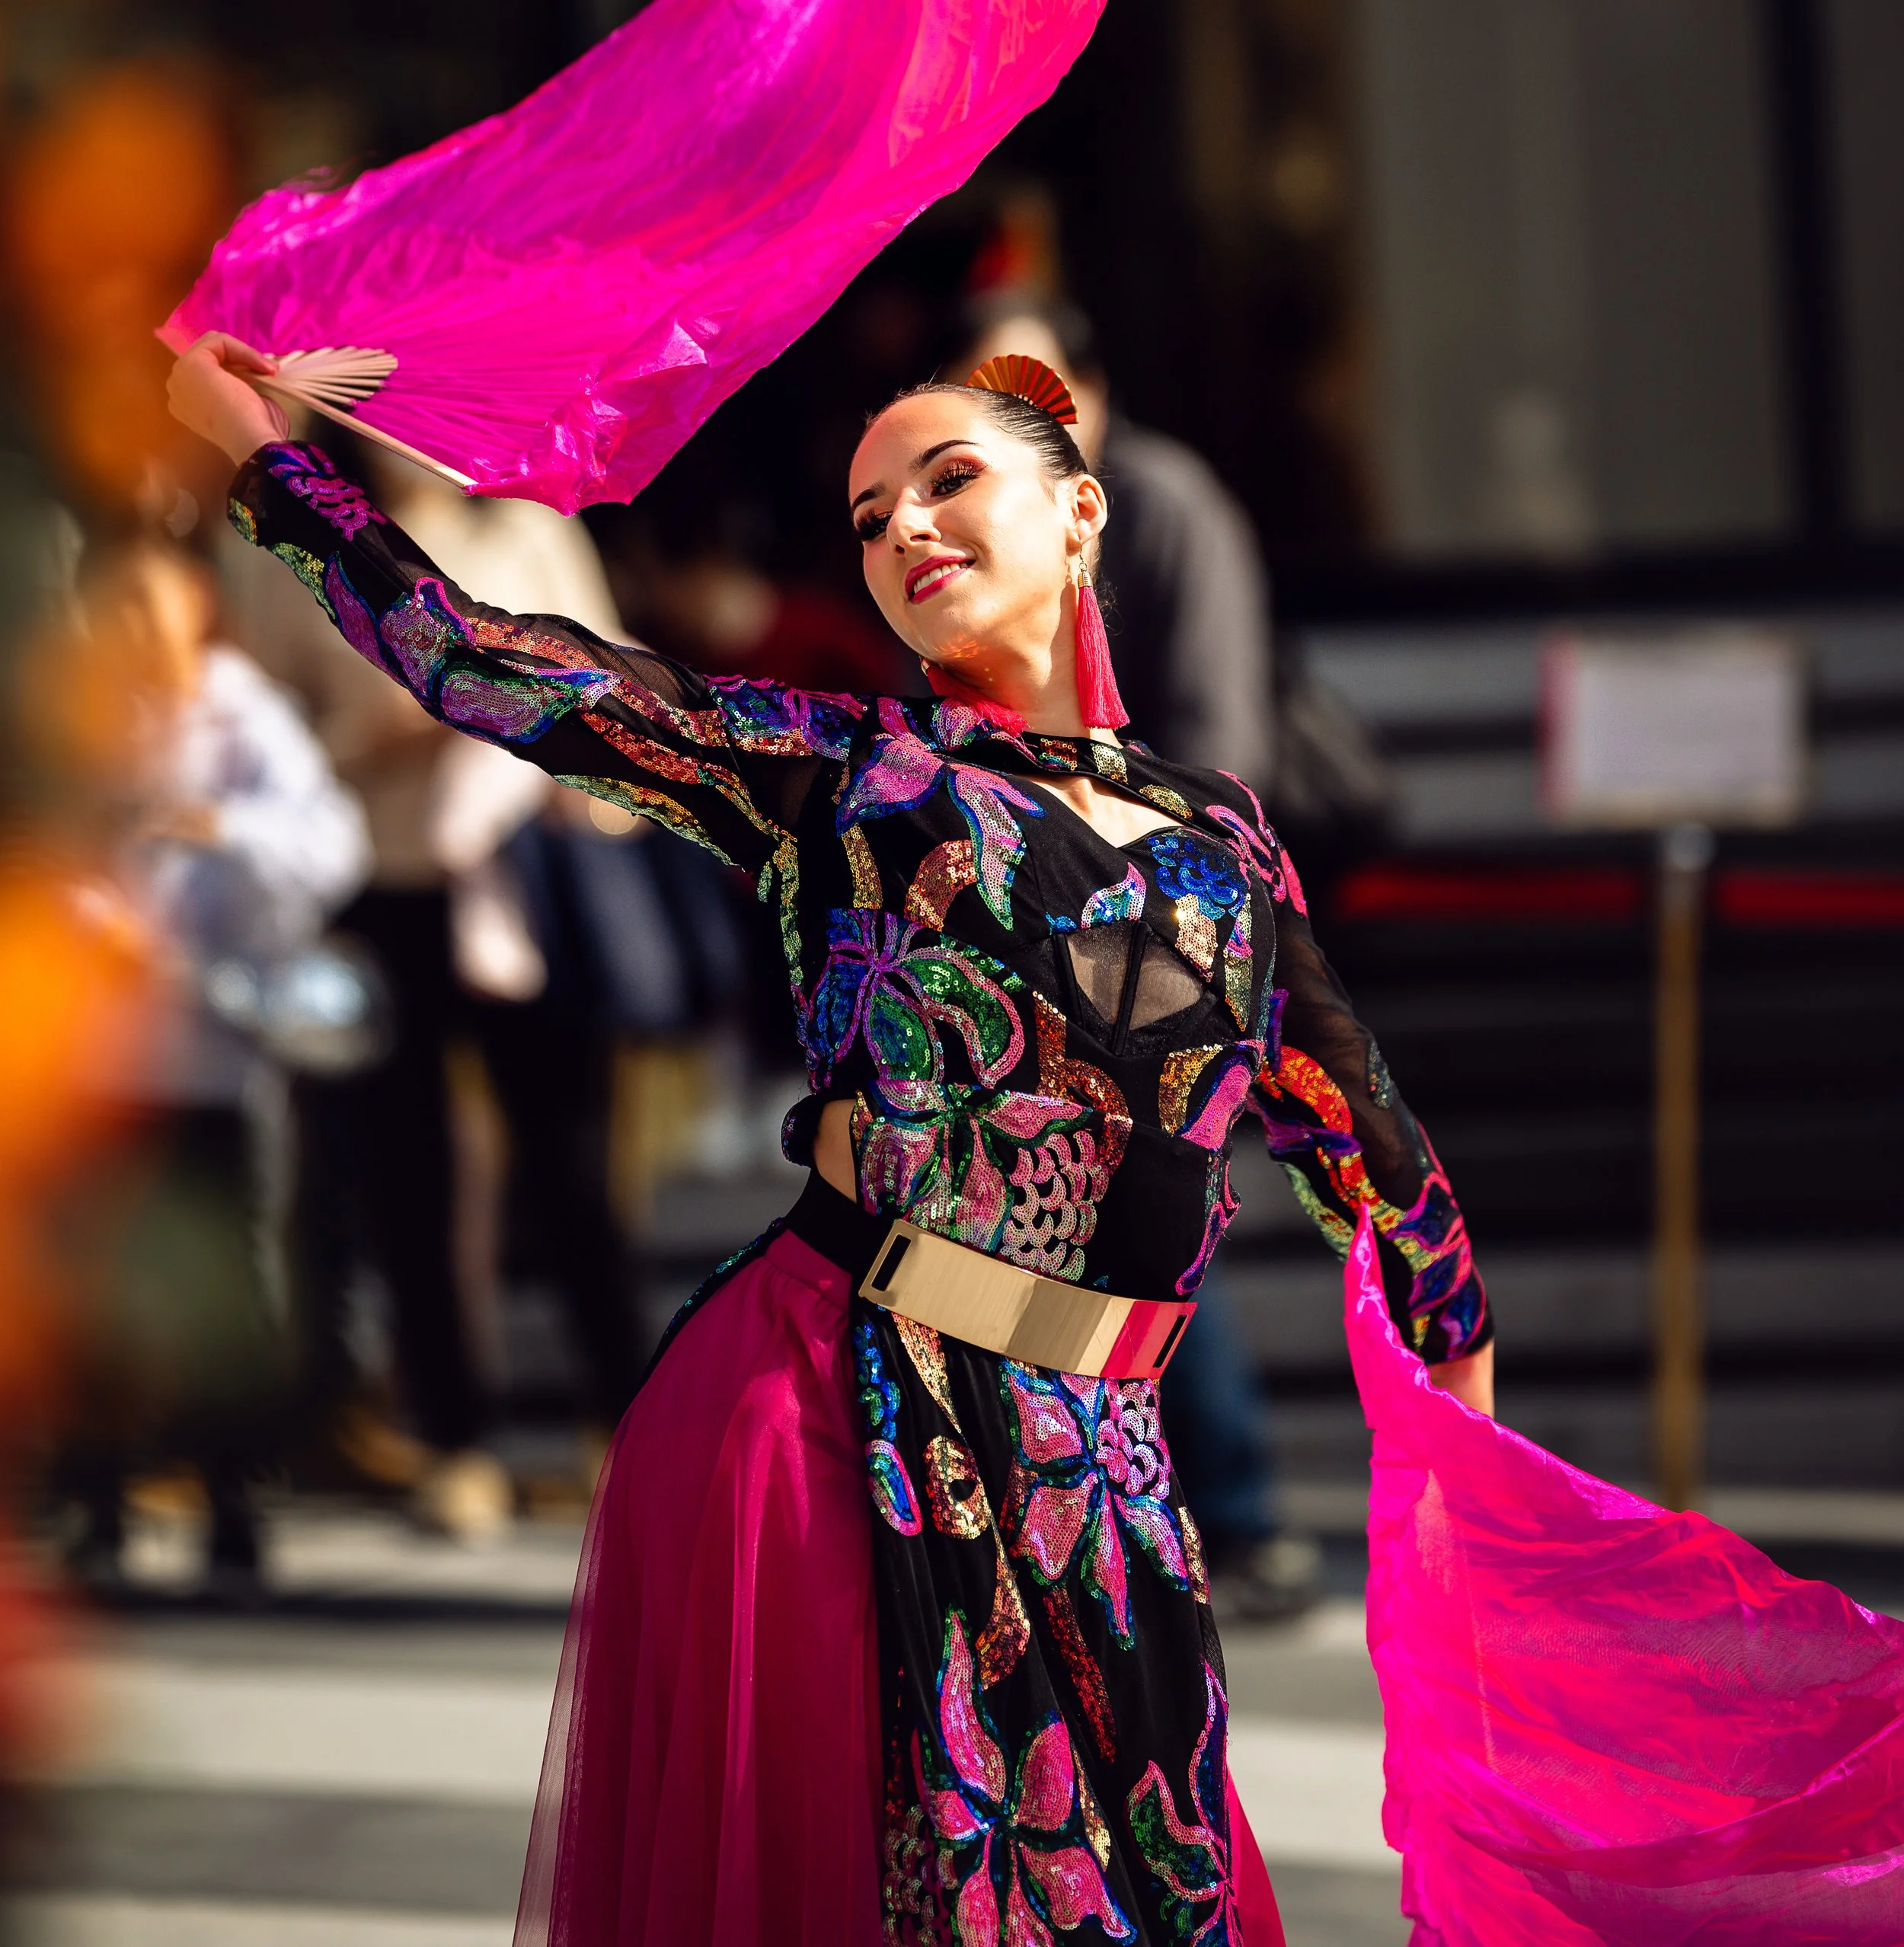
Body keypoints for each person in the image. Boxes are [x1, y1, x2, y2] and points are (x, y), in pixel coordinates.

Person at [168, 330, 1491, 1946]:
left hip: (1103, 1470)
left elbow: (1383, 1171)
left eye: (947, 482)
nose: (904, 532)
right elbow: (490, 660)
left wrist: (1464, 1498)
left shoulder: (1220, 840)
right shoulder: (844, 776)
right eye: (868, 519)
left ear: (1079, 515)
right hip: (832, 1415)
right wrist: (268, 462)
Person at [960, 304, 1315, 1622]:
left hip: (1162, 917)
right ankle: (1132, 1516)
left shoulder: (1165, 508)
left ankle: (1233, 1507)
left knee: (1153, 1193)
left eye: (1036, 386)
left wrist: (1142, 877)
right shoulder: (980, 524)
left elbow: (1222, 736)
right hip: (1025, 923)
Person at [222, 446, 649, 1533]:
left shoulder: (527, 531)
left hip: (520, 881)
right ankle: (455, 1440)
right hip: (375, 882)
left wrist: (535, 734)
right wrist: (371, 732)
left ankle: (629, 1428)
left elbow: (630, 702)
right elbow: (252, 735)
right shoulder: (295, 547)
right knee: (403, 1175)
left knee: (570, 1171)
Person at [62, 535, 369, 1591]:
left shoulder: (246, 717)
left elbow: (332, 846)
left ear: (196, 602)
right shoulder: (88, 717)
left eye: (151, 601)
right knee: (95, 1284)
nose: (134, 627)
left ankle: (233, 1497)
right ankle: (97, 1496)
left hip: (211, 1051)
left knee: (229, 1285)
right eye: (117, 605)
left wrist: (221, 827)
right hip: (98, 1055)